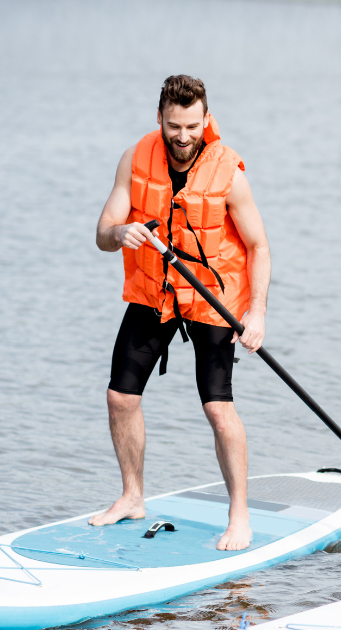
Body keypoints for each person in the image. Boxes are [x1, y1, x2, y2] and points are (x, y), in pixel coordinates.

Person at [91, 75, 270, 551]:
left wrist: (257, 314)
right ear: (160, 119)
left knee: (217, 407)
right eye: (175, 126)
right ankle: (132, 496)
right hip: (156, 291)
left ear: (205, 121)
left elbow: (258, 246)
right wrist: (118, 235)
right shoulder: (135, 159)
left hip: (213, 296)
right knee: (119, 398)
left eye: (192, 125)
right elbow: (103, 231)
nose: (184, 136)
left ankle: (240, 517)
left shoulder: (228, 172)